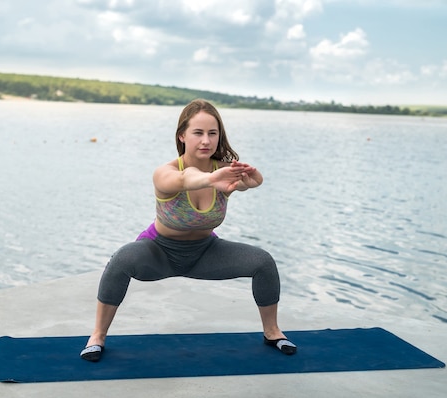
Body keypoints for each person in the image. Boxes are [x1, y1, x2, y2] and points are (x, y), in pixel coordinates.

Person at [80, 99, 296, 362]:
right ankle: (98, 336)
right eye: (198, 133)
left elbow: (240, 183)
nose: (206, 140)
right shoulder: (166, 173)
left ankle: (272, 331)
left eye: (212, 133)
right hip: (158, 252)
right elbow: (185, 179)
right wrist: (210, 179)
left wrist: (250, 183)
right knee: (122, 258)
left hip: (205, 253)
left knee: (262, 262)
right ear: (182, 135)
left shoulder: (224, 171)